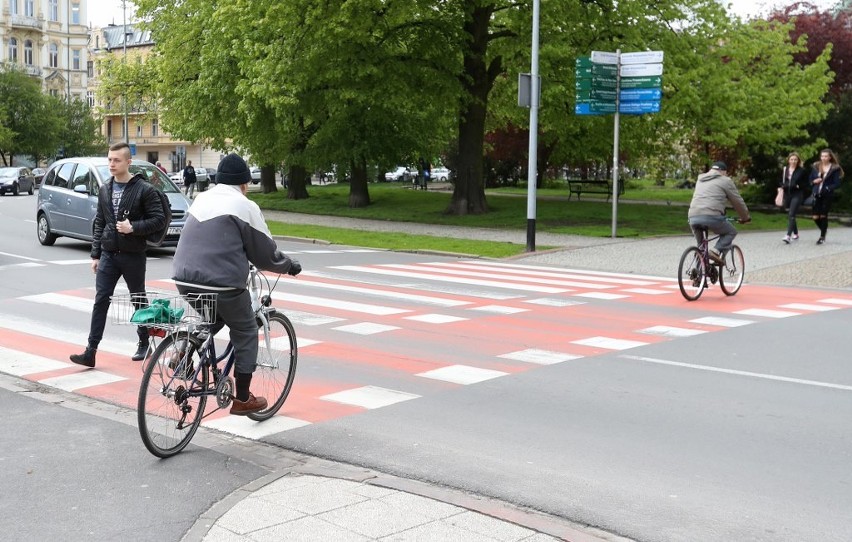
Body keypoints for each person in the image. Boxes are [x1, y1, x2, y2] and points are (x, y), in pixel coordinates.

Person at [172, 153, 302, 415]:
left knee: (213, 317)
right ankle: (243, 398)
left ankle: (183, 355)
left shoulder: (202, 198)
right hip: (223, 285)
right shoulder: (244, 206)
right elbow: (265, 253)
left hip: (183, 278)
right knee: (245, 331)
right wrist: (288, 265)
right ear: (244, 183)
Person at [70, 142, 169, 368]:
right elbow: (100, 222)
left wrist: (133, 227)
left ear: (128, 162)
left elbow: (158, 219)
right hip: (108, 254)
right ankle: (90, 351)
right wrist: (95, 254)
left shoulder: (144, 189)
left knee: (138, 299)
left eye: (117, 160)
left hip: (133, 254)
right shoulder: (105, 188)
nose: (112, 164)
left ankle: (144, 343)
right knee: (101, 300)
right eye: (110, 160)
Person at [687, 161, 751, 265]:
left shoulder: (700, 179)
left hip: (693, 217)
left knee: (701, 247)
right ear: (723, 171)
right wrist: (745, 217)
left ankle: (697, 275)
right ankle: (715, 251)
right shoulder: (725, 180)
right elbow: (737, 201)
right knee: (731, 231)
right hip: (711, 216)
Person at [809, 148, 844, 245]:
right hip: (816, 194)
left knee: (823, 215)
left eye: (826, 156)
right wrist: (813, 181)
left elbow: (837, 183)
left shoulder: (834, 168)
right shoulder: (816, 166)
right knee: (815, 217)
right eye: (822, 156)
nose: (823, 158)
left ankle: (822, 237)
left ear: (830, 157)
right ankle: (824, 230)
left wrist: (828, 188)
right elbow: (810, 179)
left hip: (827, 195)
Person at [780, 152, 810, 243]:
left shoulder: (802, 171)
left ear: (798, 161)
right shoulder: (785, 169)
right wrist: (781, 186)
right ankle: (796, 234)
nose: (793, 161)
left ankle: (788, 236)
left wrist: (798, 186)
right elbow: (781, 181)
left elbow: (806, 184)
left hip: (797, 194)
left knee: (791, 214)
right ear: (788, 160)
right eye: (792, 159)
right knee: (791, 214)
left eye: (795, 159)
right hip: (787, 194)